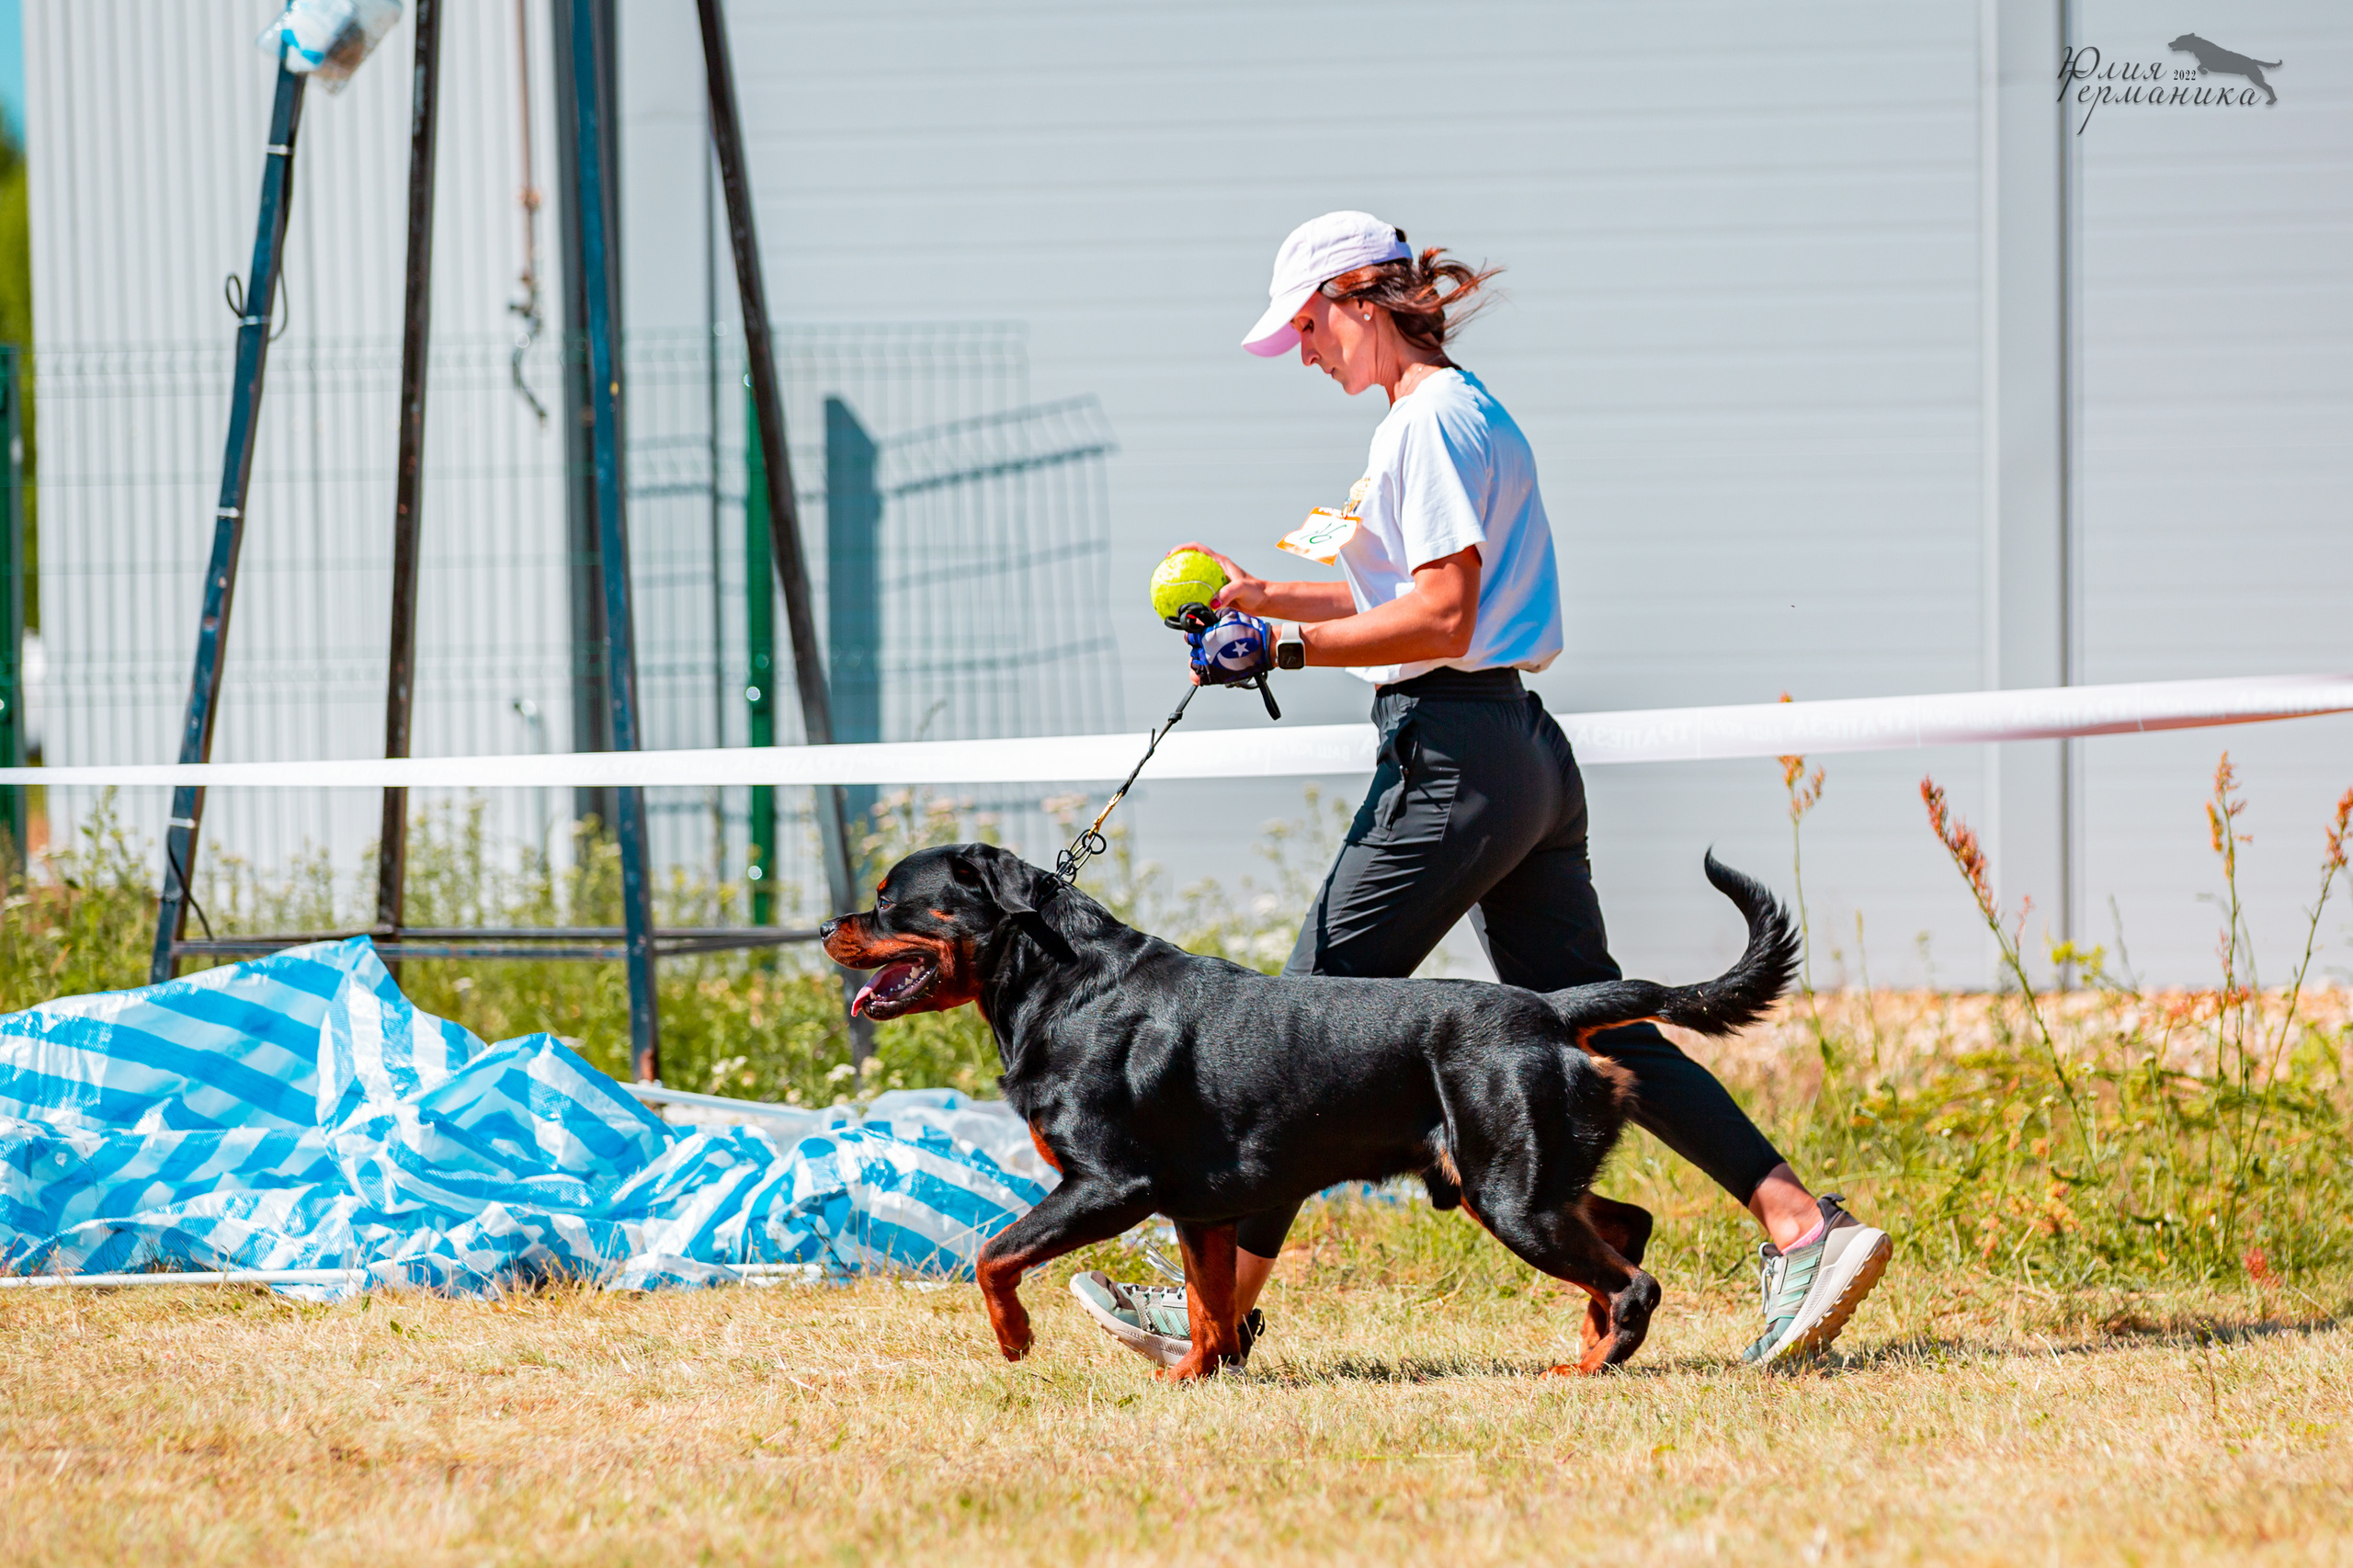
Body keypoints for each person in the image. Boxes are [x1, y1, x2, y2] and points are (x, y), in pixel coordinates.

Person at [1070, 210, 1890, 1369]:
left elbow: (1439, 618)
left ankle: (1216, 1314)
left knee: (1293, 1031)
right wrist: (1263, 600)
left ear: (1357, 303)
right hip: (1514, 749)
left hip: (1451, 753)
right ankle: (1802, 1228)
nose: (1304, 354)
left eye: (1306, 327)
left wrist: (1286, 657)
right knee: (1585, 1011)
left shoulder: (1429, 426)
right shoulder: (1453, 410)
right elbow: (1411, 596)